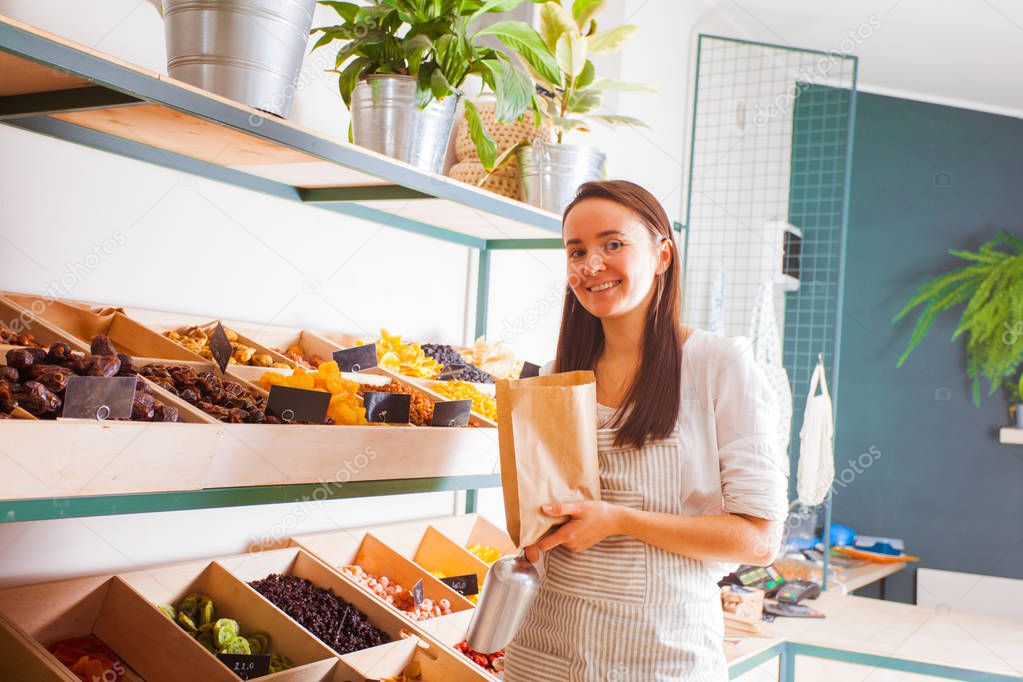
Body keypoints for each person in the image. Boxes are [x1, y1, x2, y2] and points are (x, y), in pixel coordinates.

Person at [503, 180, 789, 682]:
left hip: (660, 655)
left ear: (662, 255)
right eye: (577, 251)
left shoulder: (717, 366)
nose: (591, 265)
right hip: (547, 648)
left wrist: (618, 520)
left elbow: (759, 541)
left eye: (613, 244)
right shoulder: (554, 376)